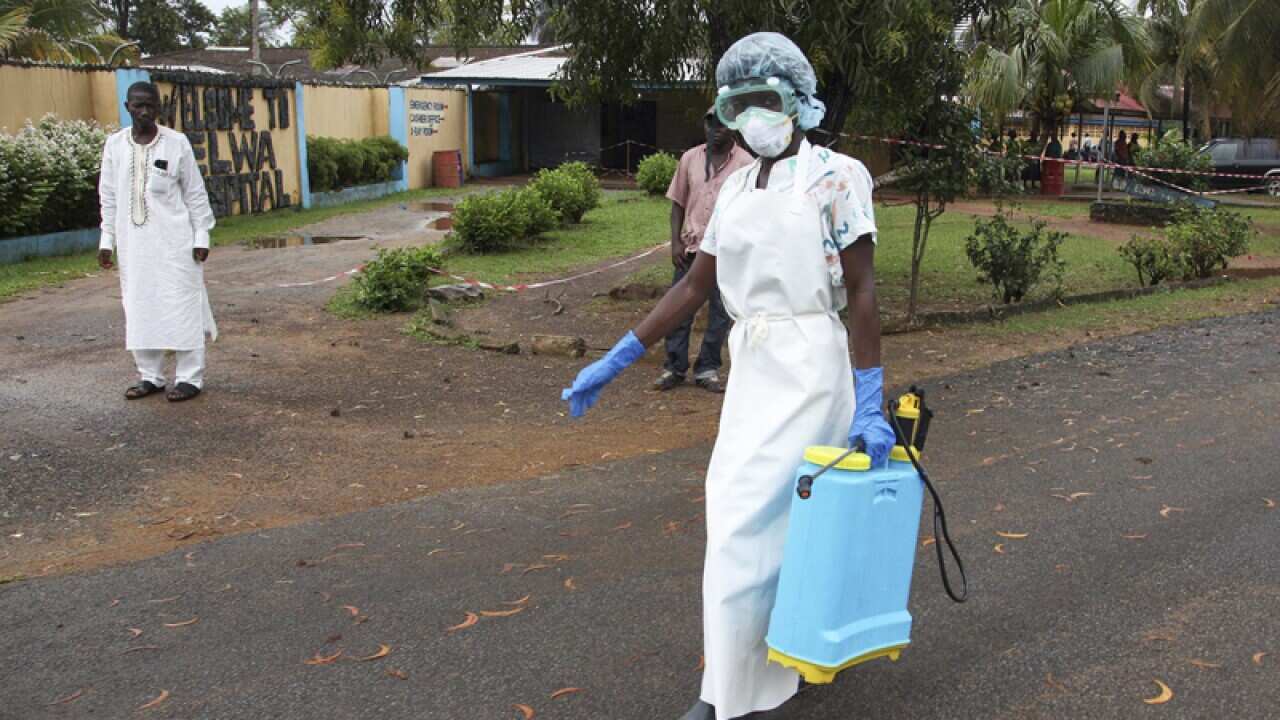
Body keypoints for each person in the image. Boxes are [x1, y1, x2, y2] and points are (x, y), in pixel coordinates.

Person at [561, 32, 893, 720]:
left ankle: (722, 697)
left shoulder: (838, 175)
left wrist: (870, 400)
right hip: (753, 366)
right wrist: (621, 355)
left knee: (752, 521)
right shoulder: (737, 186)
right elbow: (693, 288)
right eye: (739, 103)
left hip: (812, 364)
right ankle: (777, 664)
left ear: (798, 103)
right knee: (747, 517)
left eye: (766, 99)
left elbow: (860, 291)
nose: (753, 115)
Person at [98, 82, 217, 402]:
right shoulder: (115, 146)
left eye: (150, 105)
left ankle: (190, 377)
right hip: (133, 245)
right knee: (139, 306)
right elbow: (108, 196)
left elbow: (195, 193)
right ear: (127, 107)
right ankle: (150, 375)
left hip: (175, 243)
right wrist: (106, 240)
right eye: (138, 106)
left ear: (159, 108)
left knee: (182, 305)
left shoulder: (176, 143)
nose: (144, 111)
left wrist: (201, 236)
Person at [654, 107, 753, 393]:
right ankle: (673, 367)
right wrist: (675, 241)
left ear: (733, 127)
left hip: (727, 253)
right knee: (678, 309)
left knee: (720, 314)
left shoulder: (746, 163)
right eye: (711, 123)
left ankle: (707, 369)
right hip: (691, 249)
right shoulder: (689, 159)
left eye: (723, 124)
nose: (716, 129)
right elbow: (677, 204)